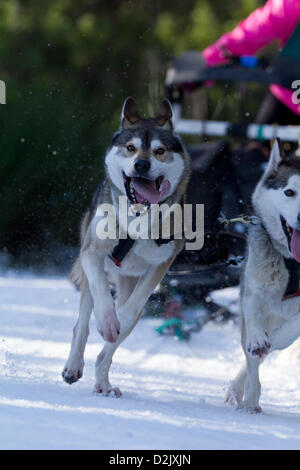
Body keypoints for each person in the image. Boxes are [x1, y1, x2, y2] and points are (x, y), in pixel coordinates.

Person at [203, 0, 300, 126]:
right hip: (288, 99)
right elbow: (252, 32)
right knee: (256, 144)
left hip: (288, 95)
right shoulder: (291, 5)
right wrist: (205, 63)